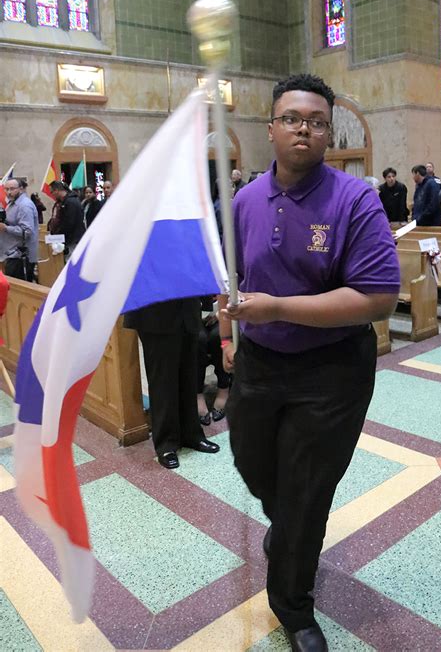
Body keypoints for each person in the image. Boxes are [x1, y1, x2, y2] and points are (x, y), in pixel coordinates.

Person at [218, 73, 400, 652]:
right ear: (271, 128)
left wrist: (278, 307)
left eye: (316, 121)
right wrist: (228, 331)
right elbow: (234, 281)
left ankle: (294, 608)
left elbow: (377, 297)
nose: (304, 128)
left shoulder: (354, 200)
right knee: (252, 460)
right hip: (261, 363)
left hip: (331, 372)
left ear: (328, 133)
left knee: (305, 491)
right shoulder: (245, 200)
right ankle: (285, 522)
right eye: (292, 118)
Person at [123, 298, 220, 469]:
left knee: (189, 375)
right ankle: (166, 443)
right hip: (154, 311)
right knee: (162, 380)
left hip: (186, 307)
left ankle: (192, 434)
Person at [197, 297, 230, 425]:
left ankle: (223, 389)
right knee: (198, 339)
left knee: (218, 337)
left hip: (225, 314)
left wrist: (218, 314)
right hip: (194, 315)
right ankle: (197, 393)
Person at [0, 178, 39, 281]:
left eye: (12, 189)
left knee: (20, 290)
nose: (9, 192)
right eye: (6, 189)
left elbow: (27, 231)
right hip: (11, 253)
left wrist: (6, 228)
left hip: (21, 256)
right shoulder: (12, 204)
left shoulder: (24, 205)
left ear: (21, 189)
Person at [47, 180, 85, 261]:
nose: (52, 194)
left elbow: (69, 224)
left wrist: (57, 236)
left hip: (73, 240)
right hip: (69, 240)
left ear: (57, 190)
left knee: (72, 264)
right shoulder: (64, 202)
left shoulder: (71, 202)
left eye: (52, 192)